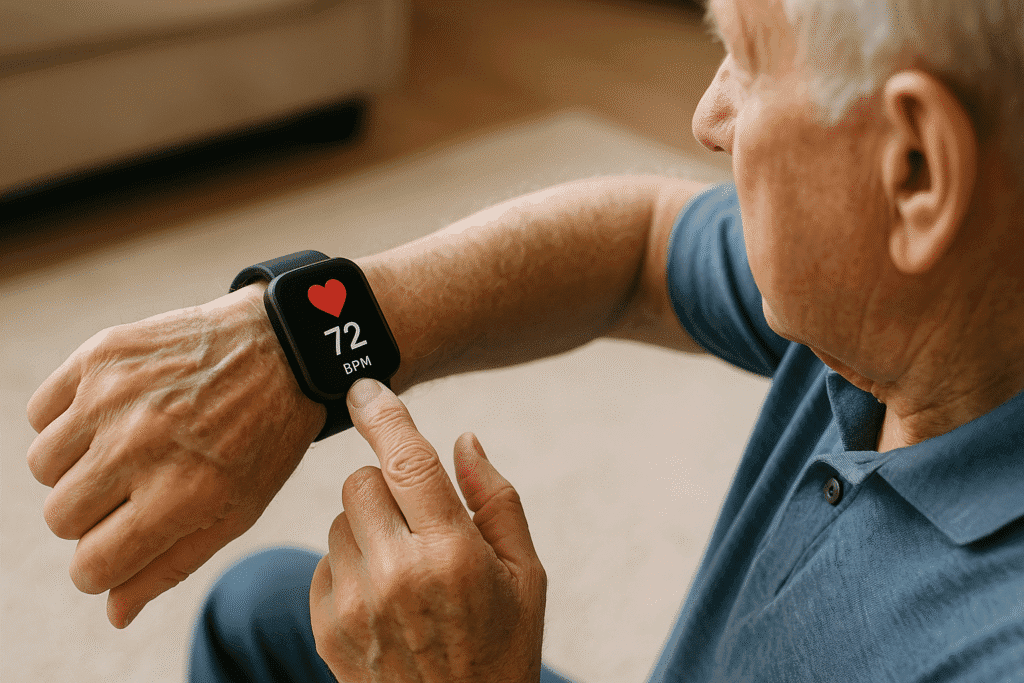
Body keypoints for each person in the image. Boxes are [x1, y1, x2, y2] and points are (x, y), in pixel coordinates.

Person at [25, 0, 1024, 679]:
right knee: (257, 617)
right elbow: (641, 245)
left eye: (749, 62)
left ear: (914, 170)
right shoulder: (919, 291)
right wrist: (296, 339)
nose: (707, 116)